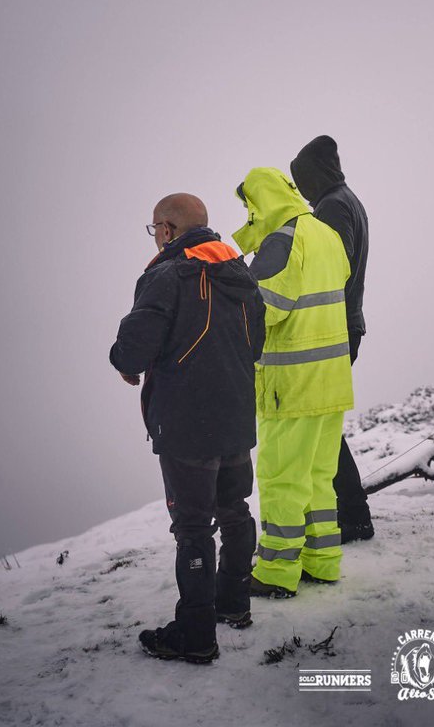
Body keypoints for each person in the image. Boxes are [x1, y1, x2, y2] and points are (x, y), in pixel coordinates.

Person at [109, 193, 265, 663]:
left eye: (156, 227)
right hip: (236, 416)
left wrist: (124, 362)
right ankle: (234, 605)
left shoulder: (166, 275)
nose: (155, 235)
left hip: (186, 426)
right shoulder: (240, 273)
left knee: (194, 529)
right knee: (234, 509)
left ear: (170, 229)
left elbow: (134, 346)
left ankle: (195, 637)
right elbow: (254, 343)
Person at [232, 167, 353, 598]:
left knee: (282, 477)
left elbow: (266, 311)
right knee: (320, 476)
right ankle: (322, 562)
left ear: (260, 202)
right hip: (332, 379)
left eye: (248, 206)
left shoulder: (282, 239)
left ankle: (276, 572)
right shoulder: (325, 234)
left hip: (292, 382)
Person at [290, 135, 374, 543]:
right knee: (325, 429)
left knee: (321, 430)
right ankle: (350, 515)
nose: (302, 193)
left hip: (332, 329)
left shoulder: (333, 206)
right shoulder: (345, 200)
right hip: (344, 326)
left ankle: (352, 517)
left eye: (301, 181)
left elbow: (328, 267)